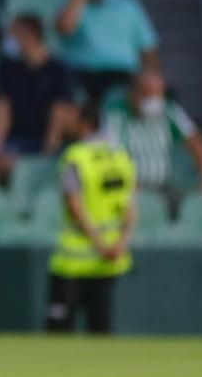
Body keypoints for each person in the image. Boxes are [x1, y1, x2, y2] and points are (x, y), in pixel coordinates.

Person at [47, 102, 136, 335]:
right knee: (100, 332)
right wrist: (119, 245)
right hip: (108, 261)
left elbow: (75, 207)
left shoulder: (76, 157)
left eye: (72, 118)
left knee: (58, 335)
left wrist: (99, 244)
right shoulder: (119, 156)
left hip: (73, 261)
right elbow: (129, 208)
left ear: (84, 123)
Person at [0, 13, 78, 184]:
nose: (9, 41)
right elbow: (2, 109)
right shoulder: (5, 69)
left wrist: (47, 153)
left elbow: (61, 112)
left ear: (29, 36)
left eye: (13, 35)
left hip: (46, 141)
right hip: (18, 140)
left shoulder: (60, 70)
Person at [56, 0, 159, 101]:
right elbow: (65, 27)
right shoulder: (74, 3)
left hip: (123, 75)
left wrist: (154, 77)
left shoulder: (129, 4)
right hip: (82, 74)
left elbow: (147, 47)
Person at [102, 68, 202, 196]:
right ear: (132, 93)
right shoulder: (114, 115)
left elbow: (196, 142)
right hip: (131, 191)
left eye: (159, 94)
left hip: (165, 189)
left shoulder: (170, 111)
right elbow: (110, 153)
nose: (154, 100)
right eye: (148, 94)